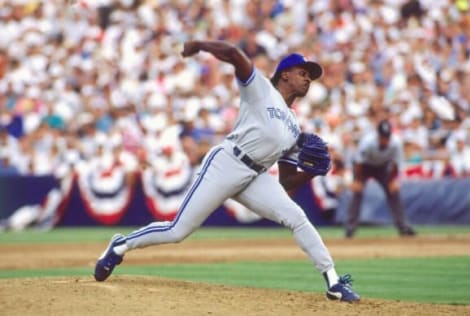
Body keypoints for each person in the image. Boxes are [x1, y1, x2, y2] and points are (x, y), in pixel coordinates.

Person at [94, 40, 360, 302]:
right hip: (227, 162)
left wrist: (311, 173)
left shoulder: (293, 126)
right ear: (285, 74)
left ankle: (333, 281)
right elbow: (234, 54)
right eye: (303, 73)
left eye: (310, 76)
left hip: (255, 177)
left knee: (297, 217)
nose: (308, 79)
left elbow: (288, 182)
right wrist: (200, 45)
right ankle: (121, 245)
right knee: (177, 231)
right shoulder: (261, 90)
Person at [345, 119, 417, 238]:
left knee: (394, 192)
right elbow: (358, 162)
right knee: (357, 193)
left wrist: (393, 180)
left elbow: (396, 163)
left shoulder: (396, 143)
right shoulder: (367, 142)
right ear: (378, 134)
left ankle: (404, 227)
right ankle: (350, 229)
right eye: (383, 136)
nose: (385, 140)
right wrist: (357, 180)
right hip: (364, 168)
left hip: (383, 168)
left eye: (387, 137)